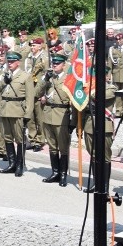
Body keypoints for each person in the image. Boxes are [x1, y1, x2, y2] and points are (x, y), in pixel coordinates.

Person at [0, 50, 34, 177]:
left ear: (18, 63)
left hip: (18, 110)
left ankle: (20, 165)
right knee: (7, 138)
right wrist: (4, 81)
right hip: (4, 110)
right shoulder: (5, 75)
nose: (9, 63)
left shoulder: (25, 76)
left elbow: (30, 98)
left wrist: (27, 115)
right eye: (8, 61)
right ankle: (11, 163)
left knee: (19, 139)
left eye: (12, 61)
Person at [38, 54, 72, 186]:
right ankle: (55, 172)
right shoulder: (48, 77)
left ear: (64, 65)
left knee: (63, 147)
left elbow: (73, 100)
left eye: (58, 63)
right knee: (52, 147)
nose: (55, 65)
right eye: (53, 63)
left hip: (62, 115)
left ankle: (63, 174)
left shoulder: (69, 78)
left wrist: (73, 121)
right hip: (48, 114)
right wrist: (45, 80)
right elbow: (37, 92)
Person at [24, 38, 48, 151]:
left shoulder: (45, 59)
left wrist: (45, 94)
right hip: (29, 90)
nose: (32, 47)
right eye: (31, 46)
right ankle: (32, 139)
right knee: (30, 117)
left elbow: (48, 78)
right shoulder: (28, 58)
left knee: (40, 118)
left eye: (34, 45)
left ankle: (40, 140)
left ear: (40, 46)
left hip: (40, 91)